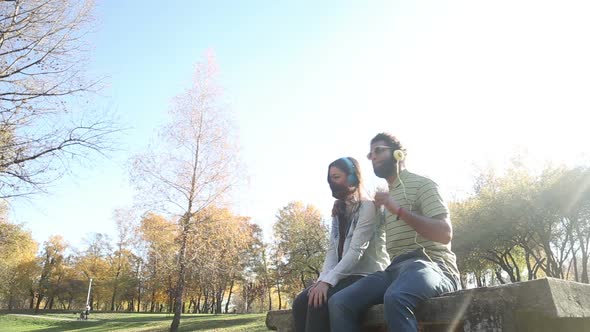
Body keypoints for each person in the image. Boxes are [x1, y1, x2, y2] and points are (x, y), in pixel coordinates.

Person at [328, 133, 460, 332]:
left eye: (379, 150)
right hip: (394, 270)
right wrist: (343, 208)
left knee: (396, 296)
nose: (374, 157)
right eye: (370, 154)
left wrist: (399, 210)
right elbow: (363, 228)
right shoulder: (381, 200)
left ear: (400, 154)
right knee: (339, 302)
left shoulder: (423, 185)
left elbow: (445, 233)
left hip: (434, 266)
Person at [292, 157, 390, 332]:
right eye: (330, 179)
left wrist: (328, 282)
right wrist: (322, 279)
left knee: (318, 302)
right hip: (345, 276)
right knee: (301, 302)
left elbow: (355, 252)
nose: (332, 183)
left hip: (366, 275)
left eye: (336, 177)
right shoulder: (339, 209)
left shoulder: (367, 207)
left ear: (353, 177)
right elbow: (332, 250)